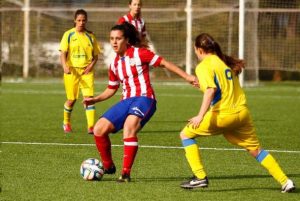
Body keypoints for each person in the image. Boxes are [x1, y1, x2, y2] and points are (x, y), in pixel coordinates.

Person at [179, 33, 296, 193]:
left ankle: (200, 177)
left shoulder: (204, 66)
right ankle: (285, 181)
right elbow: (221, 90)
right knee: (256, 150)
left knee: (186, 135)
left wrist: (200, 115)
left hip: (223, 115)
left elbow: (211, 91)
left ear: (198, 49)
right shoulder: (223, 63)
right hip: (241, 113)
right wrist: (201, 85)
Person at [83, 22, 197, 182]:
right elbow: (111, 88)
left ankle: (125, 174)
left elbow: (164, 63)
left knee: (129, 128)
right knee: (98, 129)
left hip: (144, 98)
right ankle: (108, 166)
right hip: (126, 100)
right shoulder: (114, 64)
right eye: (112, 39)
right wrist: (95, 99)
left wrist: (187, 77)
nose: (114, 42)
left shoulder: (139, 53)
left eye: (118, 38)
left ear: (127, 40)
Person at [59, 9, 101, 134]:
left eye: (83, 20)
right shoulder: (68, 35)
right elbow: (63, 53)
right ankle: (66, 123)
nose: (81, 22)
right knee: (71, 100)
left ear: (86, 21)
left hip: (87, 72)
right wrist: (64, 66)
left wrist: (91, 66)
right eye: (79, 20)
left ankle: (91, 126)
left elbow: (96, 56)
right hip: (71, 72)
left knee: (88, 98)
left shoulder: (91, 36)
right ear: (74, 21)